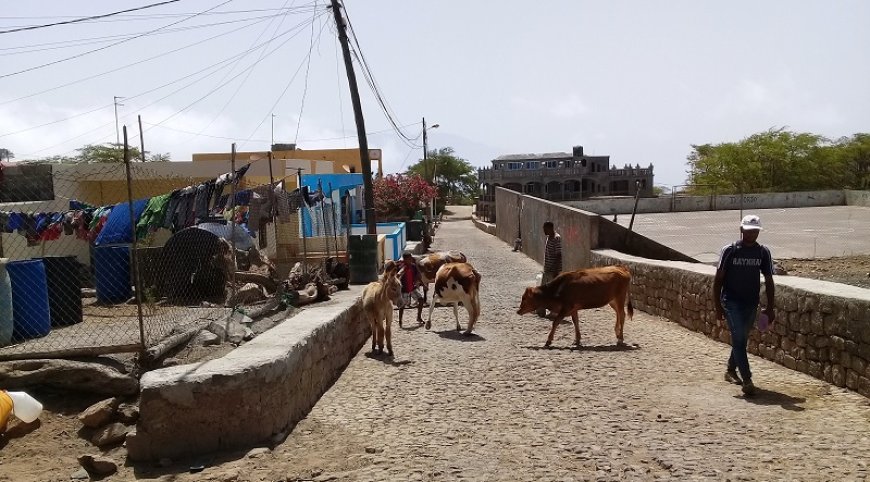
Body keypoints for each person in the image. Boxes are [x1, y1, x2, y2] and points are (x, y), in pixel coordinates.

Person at [713, 214, 776, 396]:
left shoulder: (763, 252)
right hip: (731, 302)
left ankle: (731, 370)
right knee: (739, 339)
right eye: (749, 230)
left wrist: (770, 307)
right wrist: (718, 306)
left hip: (751, 302)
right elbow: (718, 281)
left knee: (741, 339)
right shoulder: (730, 251)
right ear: (741, 230)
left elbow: (769, 280)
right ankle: (747, 379)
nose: (752, 234)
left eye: (755, 231)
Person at [537, 221, 562, 318]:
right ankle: (541, 309)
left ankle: (555, 312)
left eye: (545, 229)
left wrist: (555, 270)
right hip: (547, 269)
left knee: (553, 292)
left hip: (553, 270)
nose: (543, 231)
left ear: (550, 228)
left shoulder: (557, 238)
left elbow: (558, 255)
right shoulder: (548, 237)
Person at [397, 251, 425, 327]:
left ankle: (419, 317)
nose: (410, 260)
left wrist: (423, 284)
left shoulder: (413, 266)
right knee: (402, 306)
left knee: (421, 300)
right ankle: (400, 320)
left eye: (411, 259)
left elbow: (418, 276)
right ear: (405, 259)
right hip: (404, 290)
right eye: (409, 259)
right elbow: (397, 277)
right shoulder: (400, 267)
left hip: (412, 288)